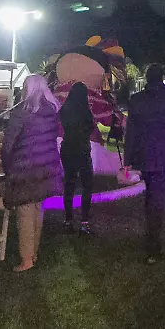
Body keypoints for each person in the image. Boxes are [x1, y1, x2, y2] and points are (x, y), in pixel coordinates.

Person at [124, 64, 165, 264]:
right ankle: (153, 246)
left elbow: (131, 132)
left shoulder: (136, 100)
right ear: (161, 78)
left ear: (146, 78)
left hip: (143, 154)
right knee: (158, 199)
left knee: (151, 196)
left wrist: (128, 160)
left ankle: (151, 236)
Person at [1, 74, 64, 271]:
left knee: (25, 211)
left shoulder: (22, 111)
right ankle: (33, 253)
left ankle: (26, 259)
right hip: (46, 166)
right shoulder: (51, 111)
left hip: (25, 168)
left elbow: (9, 143)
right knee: (37, 208)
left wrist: (6, 164)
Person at [59, 82, 96, 234]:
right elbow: (90, 128)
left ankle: (68, 220)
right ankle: (84, 221)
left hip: (67, 149)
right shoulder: (85, 111)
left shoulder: (65, 110)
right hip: (82, 150)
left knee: (69, 184)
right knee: (87, 185)